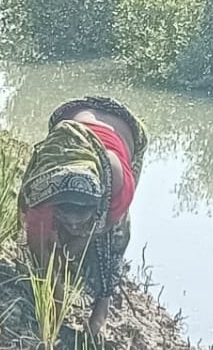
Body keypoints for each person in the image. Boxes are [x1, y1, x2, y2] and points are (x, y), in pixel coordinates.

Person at [18, 96, 148, 339]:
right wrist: (53, 289)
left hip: (128, 131)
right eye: (67, 220)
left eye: (82, 220)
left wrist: (76, 246)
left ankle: (101, 309)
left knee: (112, 243)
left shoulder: (118, 185)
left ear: (99, 203)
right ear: (55, 207)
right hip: (70, 117)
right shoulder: (44, 192)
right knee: (47, 254)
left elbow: (109, 228)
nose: (76, 225)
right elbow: (39, 249)